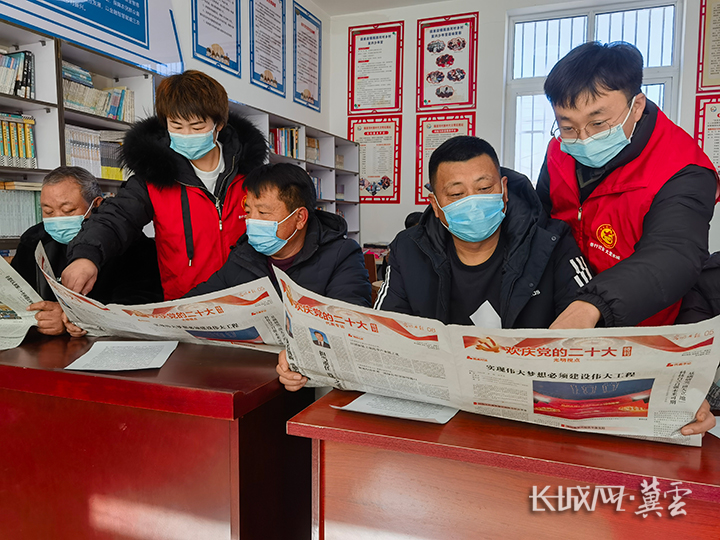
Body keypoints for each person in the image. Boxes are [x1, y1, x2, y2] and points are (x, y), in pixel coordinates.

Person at [278, 136, 588, 389]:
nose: (473, 203)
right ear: (436, 206)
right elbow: (383, 335)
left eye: (484, 189)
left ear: (504, 191)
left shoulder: (552, 243)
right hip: (441, 409)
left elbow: (591, 332)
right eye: (456, 194)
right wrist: (309, 358)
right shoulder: (409, 251)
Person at [536, 41, 717, 436]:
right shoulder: (558, 151)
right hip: (563, 326)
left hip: (642, 329)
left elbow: (673, 254)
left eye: (598, 123)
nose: (581, 138)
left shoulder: (683, 168)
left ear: (636, 106)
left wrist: (593, 304)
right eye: (567, 125)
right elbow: (542, 227)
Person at [60, 70, 268, 300]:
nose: (186, 134)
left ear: (218, 124)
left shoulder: (250, 175)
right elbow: (117, 217)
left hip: (251, 301)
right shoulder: (153, 177)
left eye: (197, 127)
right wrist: (86, 255)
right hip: (187, 306)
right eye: (176, 126)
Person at [186, 162, 371, 307]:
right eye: (249, 212)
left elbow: (348, 320)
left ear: (300, 217)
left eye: (264, 213)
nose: (252, 221)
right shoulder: (243, 255)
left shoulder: (342, 255)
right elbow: (197, 301)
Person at [10, 167, 162, 336]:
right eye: (48, 212)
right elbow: (17, 296)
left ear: (96, 204)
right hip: (41, 347)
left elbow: (140, 308)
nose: (57, 219)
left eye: (68, 211)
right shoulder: (34, 239)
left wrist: (73, 317)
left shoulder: (133, 245)